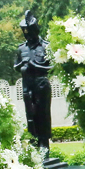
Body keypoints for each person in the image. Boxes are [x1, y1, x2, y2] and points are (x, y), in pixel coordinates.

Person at [14, 11, 54, 158]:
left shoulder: (45, 46)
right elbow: (16, 65)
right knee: (30, 114)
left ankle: (44, 143)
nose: (26, 34)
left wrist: (34, 66)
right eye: (24, 31)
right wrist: (23, 66)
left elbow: (52, 67)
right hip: (27, 84)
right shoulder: (21, 48)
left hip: (41, 84)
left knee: (43, 114)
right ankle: (34, 142)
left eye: (28, 31)